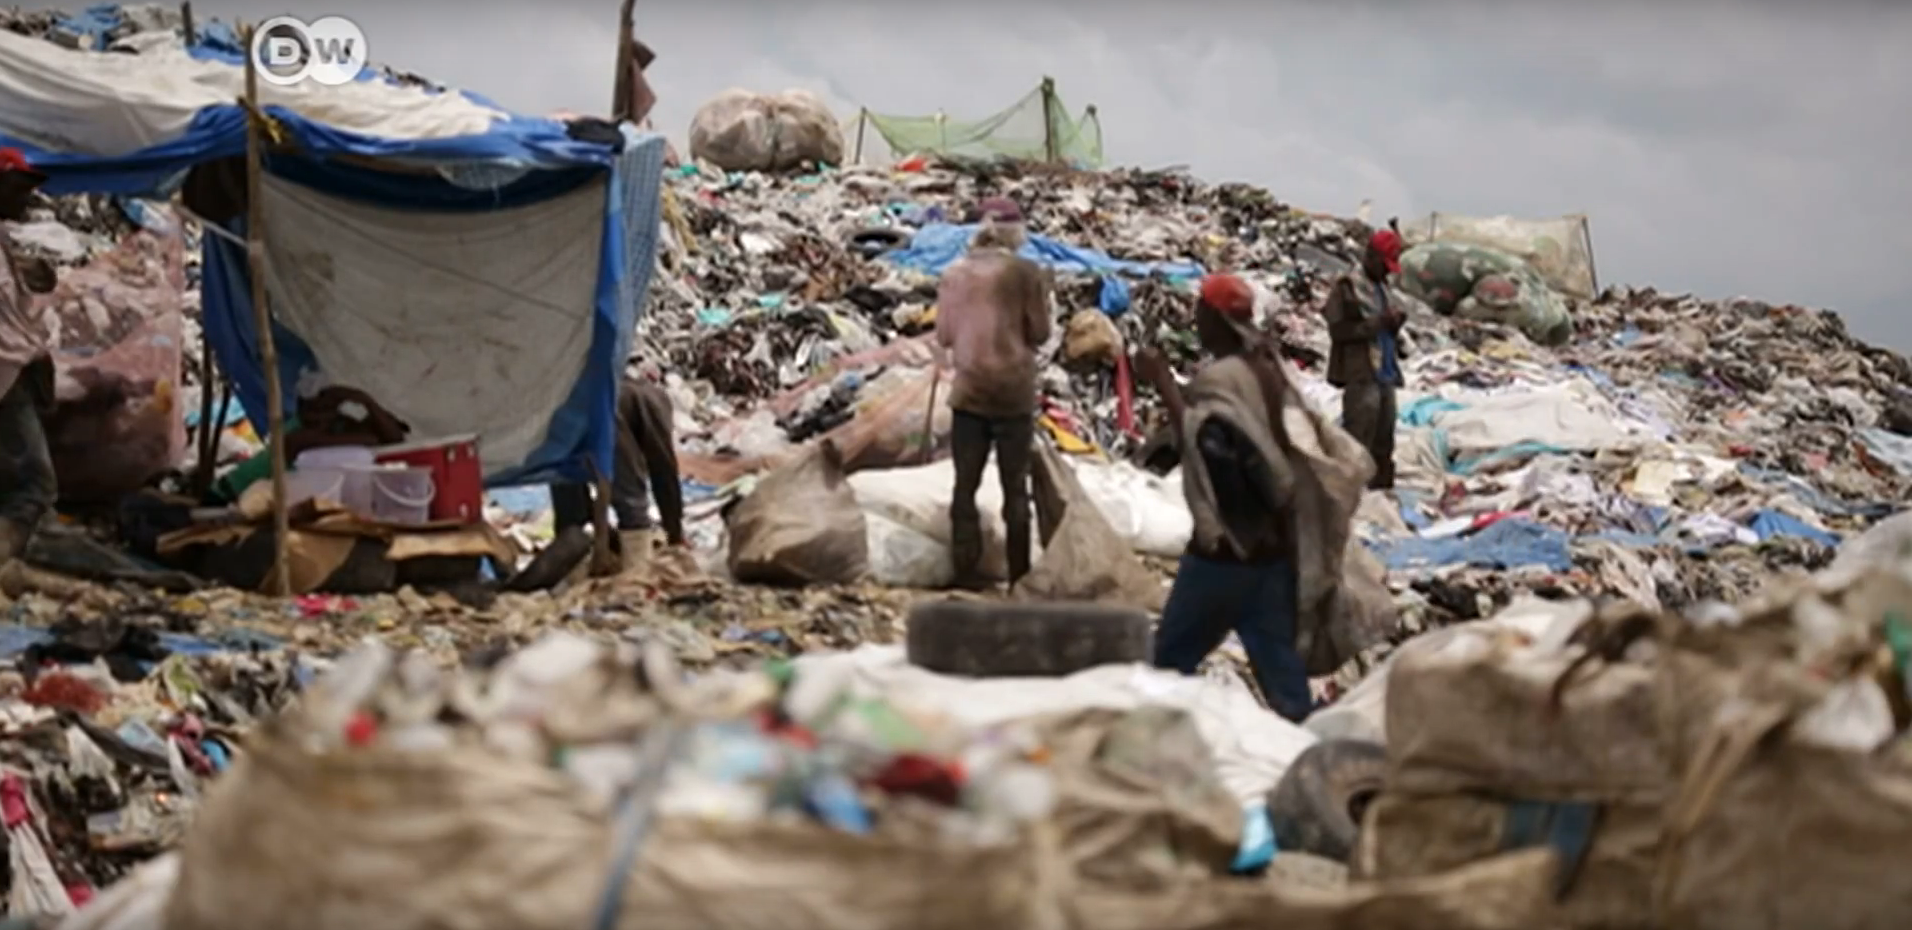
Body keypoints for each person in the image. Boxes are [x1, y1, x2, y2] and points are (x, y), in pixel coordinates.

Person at [1135, 273, 1347, 722]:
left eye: (1199, 312)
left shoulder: (1221, 379)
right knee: (1285, 684)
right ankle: (1307, 756)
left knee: (1166, 666)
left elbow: (1206, 443)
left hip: (1227, 554)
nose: (1195, 320)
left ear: (1214, 317)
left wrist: (1161, 383)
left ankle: (1149, 757)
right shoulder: (1266, 367)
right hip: (1272, 553)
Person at [933, 196, 1051, 590]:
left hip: (968, 393)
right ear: (1016, 233)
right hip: (1013, 393)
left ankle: (963, 573)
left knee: (964, 484)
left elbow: (945, 336)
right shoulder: (1026, 273)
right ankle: (1019, 577)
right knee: (1015, 489)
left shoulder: (953, 273)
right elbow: (1040, 333)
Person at [550, 374, 685, 557]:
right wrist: (675, 534)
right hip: (607, 416)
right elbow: (664, 471)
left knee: (568, 491)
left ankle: (570, 558)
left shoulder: (629, 391)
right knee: (631, 503)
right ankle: (637, 570)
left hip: (565, 413)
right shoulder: (652, 402)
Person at [0, 149, 59, 568]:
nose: (24, 200)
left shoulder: (5, 243)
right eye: (17, 188)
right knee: (35, 483)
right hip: (5, 375)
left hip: (14, 372)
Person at [1323, 225, 1407, 490]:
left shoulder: (1382, 287)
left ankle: (1380, 496)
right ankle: (1347, 494)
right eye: (1384, 264)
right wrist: (1377, 323)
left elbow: (1385, 326)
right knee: (1358, 436)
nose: (1385, 271)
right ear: (1370, 257)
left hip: (1385, 371)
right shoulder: (1347, 287)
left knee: (1384, 437)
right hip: (1361, 371)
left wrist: (1394, 325)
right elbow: (1338, 330)